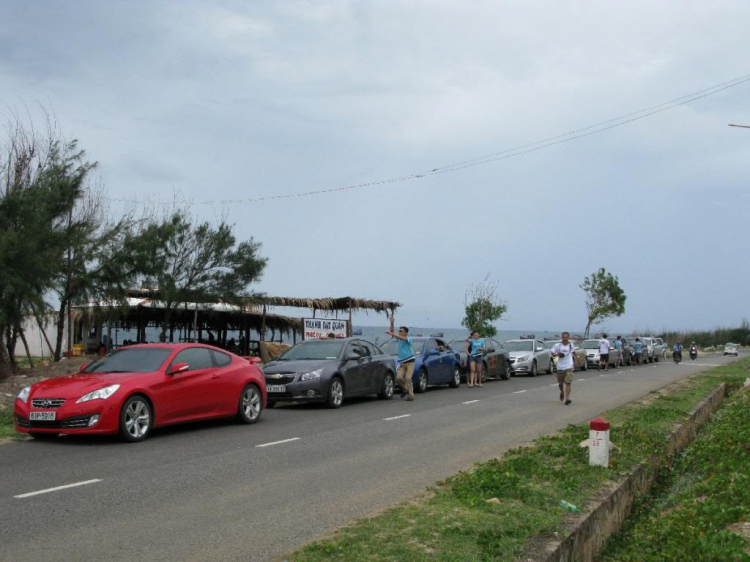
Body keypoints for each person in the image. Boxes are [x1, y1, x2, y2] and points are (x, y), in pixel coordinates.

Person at [385, 314, 415, 401]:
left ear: (405, 332)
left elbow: (397, 336)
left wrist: (392, 333)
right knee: (398, 378)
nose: (400, 332)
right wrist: (392, 322)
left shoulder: (409, 339)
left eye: (401, 331)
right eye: (399, 331)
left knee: (408, 378)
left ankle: (411, 395)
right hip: (402, 362)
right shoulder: (399, 339)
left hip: (410, 362)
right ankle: (405, 389)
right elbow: (392, 332)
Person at [552, 331, 575, 405]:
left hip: (569, 366)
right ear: (562, 338)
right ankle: (562, 392)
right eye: (563, 337)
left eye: (566, 337)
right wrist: (556, 354)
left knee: (568, 383)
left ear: (568, 338)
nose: (565, 339)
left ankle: (567, 398)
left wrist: (578, 359)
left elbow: (574, 352)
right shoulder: (557, 345)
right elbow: (552, 352)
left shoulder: (571, 345)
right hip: (560, 367)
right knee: (560, 383)